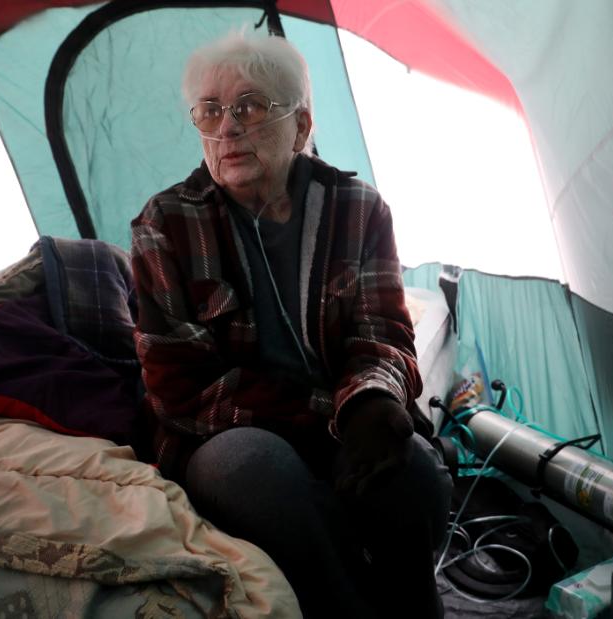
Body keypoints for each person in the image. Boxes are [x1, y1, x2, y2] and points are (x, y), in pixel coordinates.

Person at [130, 31, 453, 618]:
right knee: (258, 476)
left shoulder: (359, 209)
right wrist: (334, 414)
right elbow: (178, 386)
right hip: (227, 431)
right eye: (210, 110)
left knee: (413, 481)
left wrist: (374, 397)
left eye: (249, 106)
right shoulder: (167, 222)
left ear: (301, 127)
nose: (226, 128)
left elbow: (382, 331)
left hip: (344, 414)